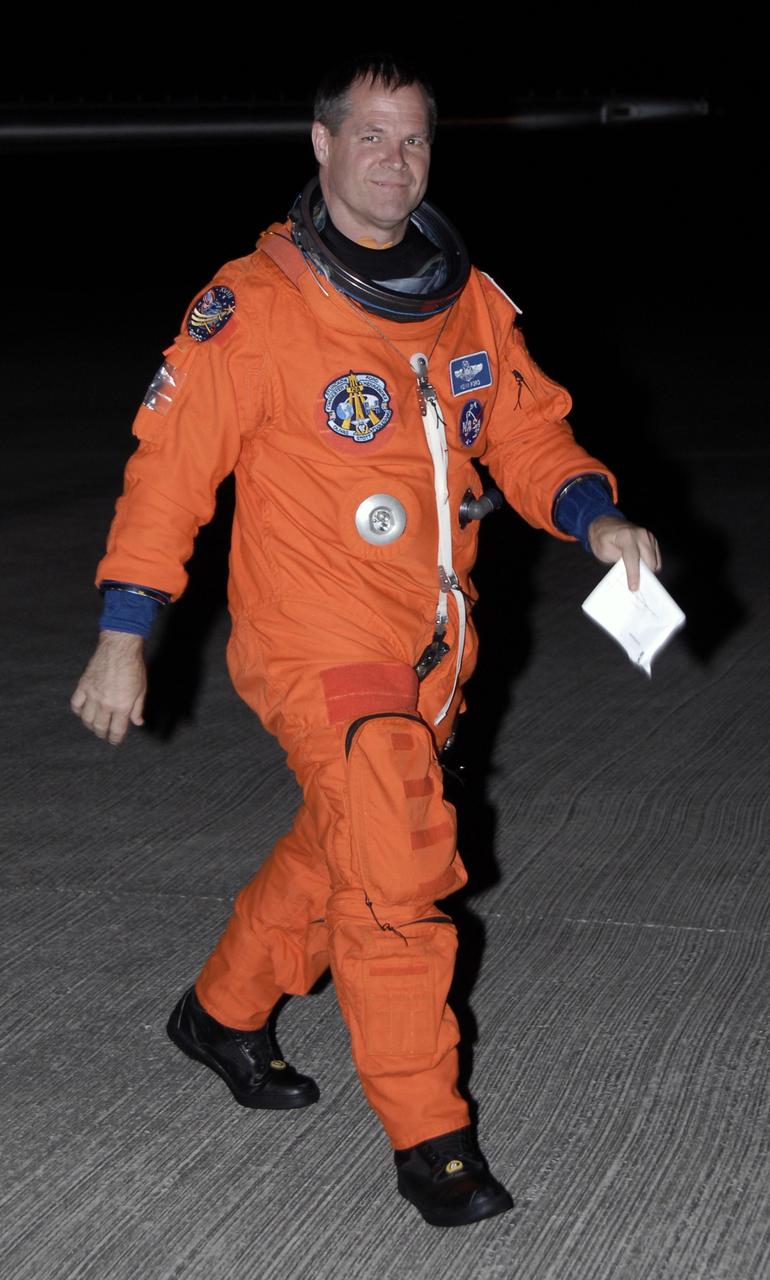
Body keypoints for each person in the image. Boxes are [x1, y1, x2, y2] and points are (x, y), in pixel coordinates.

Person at [70, 57, 661, 1228]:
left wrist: (593, 514)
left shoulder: (465, 297)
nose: (395, 162)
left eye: (415, 142)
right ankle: (430, 1136)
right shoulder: (254, 306)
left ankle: (223, 1009)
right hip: (316, 637)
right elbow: (168, 477)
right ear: (321, 145)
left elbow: (529, 429)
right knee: (393, 867)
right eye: (372, 138)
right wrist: (122, 631)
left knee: (343, 837)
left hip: (430, 643)